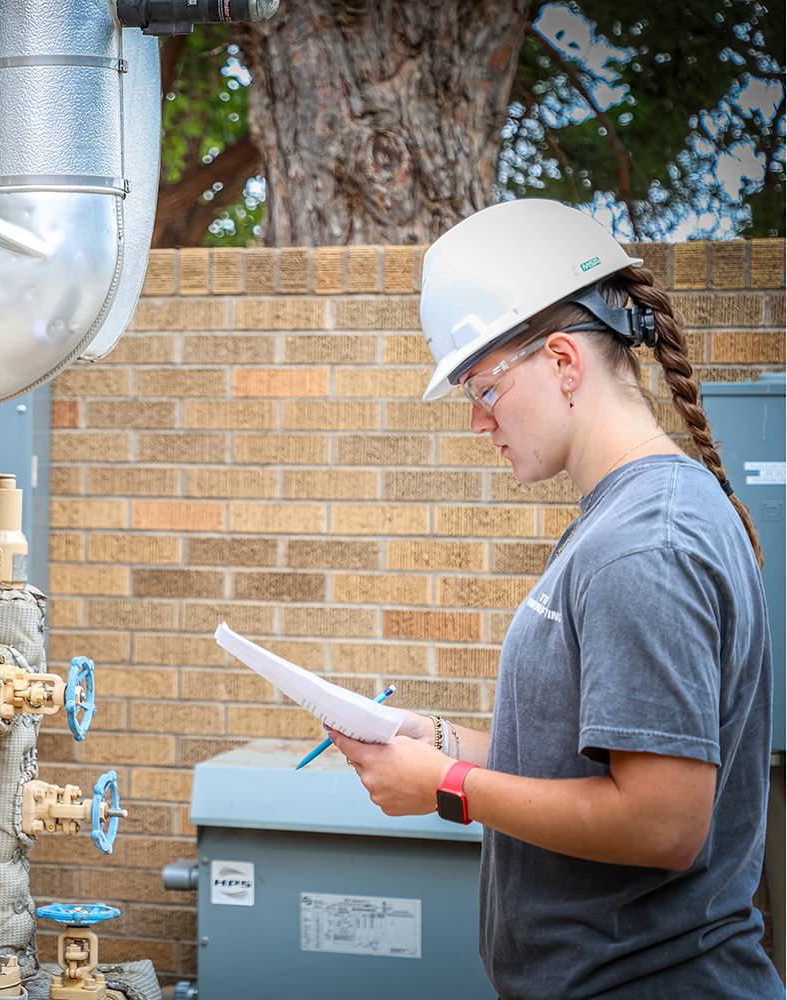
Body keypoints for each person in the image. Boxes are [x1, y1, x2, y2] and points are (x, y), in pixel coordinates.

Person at [327, 199, 778, 999]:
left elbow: (663, 823)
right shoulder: (627, 520)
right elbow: (583, 765)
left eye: (484, 388)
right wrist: (439, 740)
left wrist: (446, 786)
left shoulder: (644, 545)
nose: (478, 422)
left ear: (565, 361)